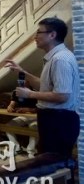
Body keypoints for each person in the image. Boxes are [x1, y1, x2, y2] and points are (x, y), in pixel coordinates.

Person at [6, 17, 79, 158]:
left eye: (39, 32)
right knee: (49, 162)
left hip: (59, 120)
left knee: (55, 166)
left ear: (52, 35)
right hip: (53, 118)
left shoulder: (60, 59)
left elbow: (62, 96)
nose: (35, 36)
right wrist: (22, 72)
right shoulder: (54, 57)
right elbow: (44, 87)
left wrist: (29, 95)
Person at [6, 91, 37, 158]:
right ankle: (17, 148)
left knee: (34, 128)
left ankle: (31, 151)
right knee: (8, 126)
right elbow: (12, 103)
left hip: (36, 117)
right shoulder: (16, 92)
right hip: (23, 116)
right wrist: (10, 107)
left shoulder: (37, 91)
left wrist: (28, 110)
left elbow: (41, 108)